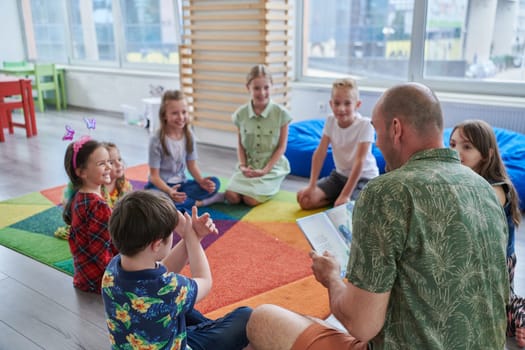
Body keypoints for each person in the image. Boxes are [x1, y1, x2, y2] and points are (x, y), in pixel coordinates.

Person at [246, 83, 509, 349]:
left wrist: (332, 278)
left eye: (377, 130)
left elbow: (362, 325)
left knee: (262, 318)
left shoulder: (386, 192)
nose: (377, 142)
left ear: (396, 129)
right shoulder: (487, 192)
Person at [101, 190, 252, 350]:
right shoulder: (171, 290)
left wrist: (195, 236)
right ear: (157, 244)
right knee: (246, 315)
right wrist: (190, 238)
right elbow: (205, 282)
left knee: (185, 308)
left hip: (140, 340)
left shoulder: (114, 268)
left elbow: (162, 273)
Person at [450, 119, 523, 347]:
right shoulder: (460, 178)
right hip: (473, 259)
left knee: (484, 310)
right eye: (452, 145)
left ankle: (519, 315)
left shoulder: (496, 188)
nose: (456, 152)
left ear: (487, 154)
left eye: (467, 147)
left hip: (494, 265)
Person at [296, 78, 378, 210]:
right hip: (340, 177)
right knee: (304, 199)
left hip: (363, 178)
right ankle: (336, 200)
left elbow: (359, 161)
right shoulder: (330, 121)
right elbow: (320, 152)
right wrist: (311, 185)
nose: (341, 108)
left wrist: (345, 194)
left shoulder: (365, 125)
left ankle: (342, 202)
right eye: (337, 103)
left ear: (357, 105)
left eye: (347, 103)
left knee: (347, 211)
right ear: (331, 104)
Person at [224, 64, 292, 206]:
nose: (262, 92)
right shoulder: (240, 115)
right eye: (256, 88)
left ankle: (273, 184)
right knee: (231, 197)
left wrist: (266, 170)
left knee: (250, 200)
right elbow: (240, 145)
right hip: (249, 166)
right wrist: (243, 166)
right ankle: (248, 185)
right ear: (248, 87)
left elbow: (281, 147)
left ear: (272, 86)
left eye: (266, 87)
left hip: (272, 167)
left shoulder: (281, 114)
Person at [145, 90, 223, 213]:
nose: (181, 117)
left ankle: (180, 205)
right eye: (175, 113)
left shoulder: (188, 135)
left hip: (182, 185)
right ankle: (200, 203)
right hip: (161, 187)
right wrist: (169, 191)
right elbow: (154, 177)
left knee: (214, 183)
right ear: (164, 115)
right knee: (154, 201)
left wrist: (201, 181)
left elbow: (191, 165)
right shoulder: (156, 139)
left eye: (184, 112)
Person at [62, 136, 118, 293]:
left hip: (84, 275)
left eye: (109, 161)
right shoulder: (98, 206)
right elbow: (100, 252)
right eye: (101, 163)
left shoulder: (79, 195)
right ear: (81, 172)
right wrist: (119, 275)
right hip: (99, 279)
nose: (108, 166)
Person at [55, 141, 133, 240]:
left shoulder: (123, 185)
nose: (118, 164)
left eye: (119, 159)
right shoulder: (93, 189)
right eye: (111, 162)